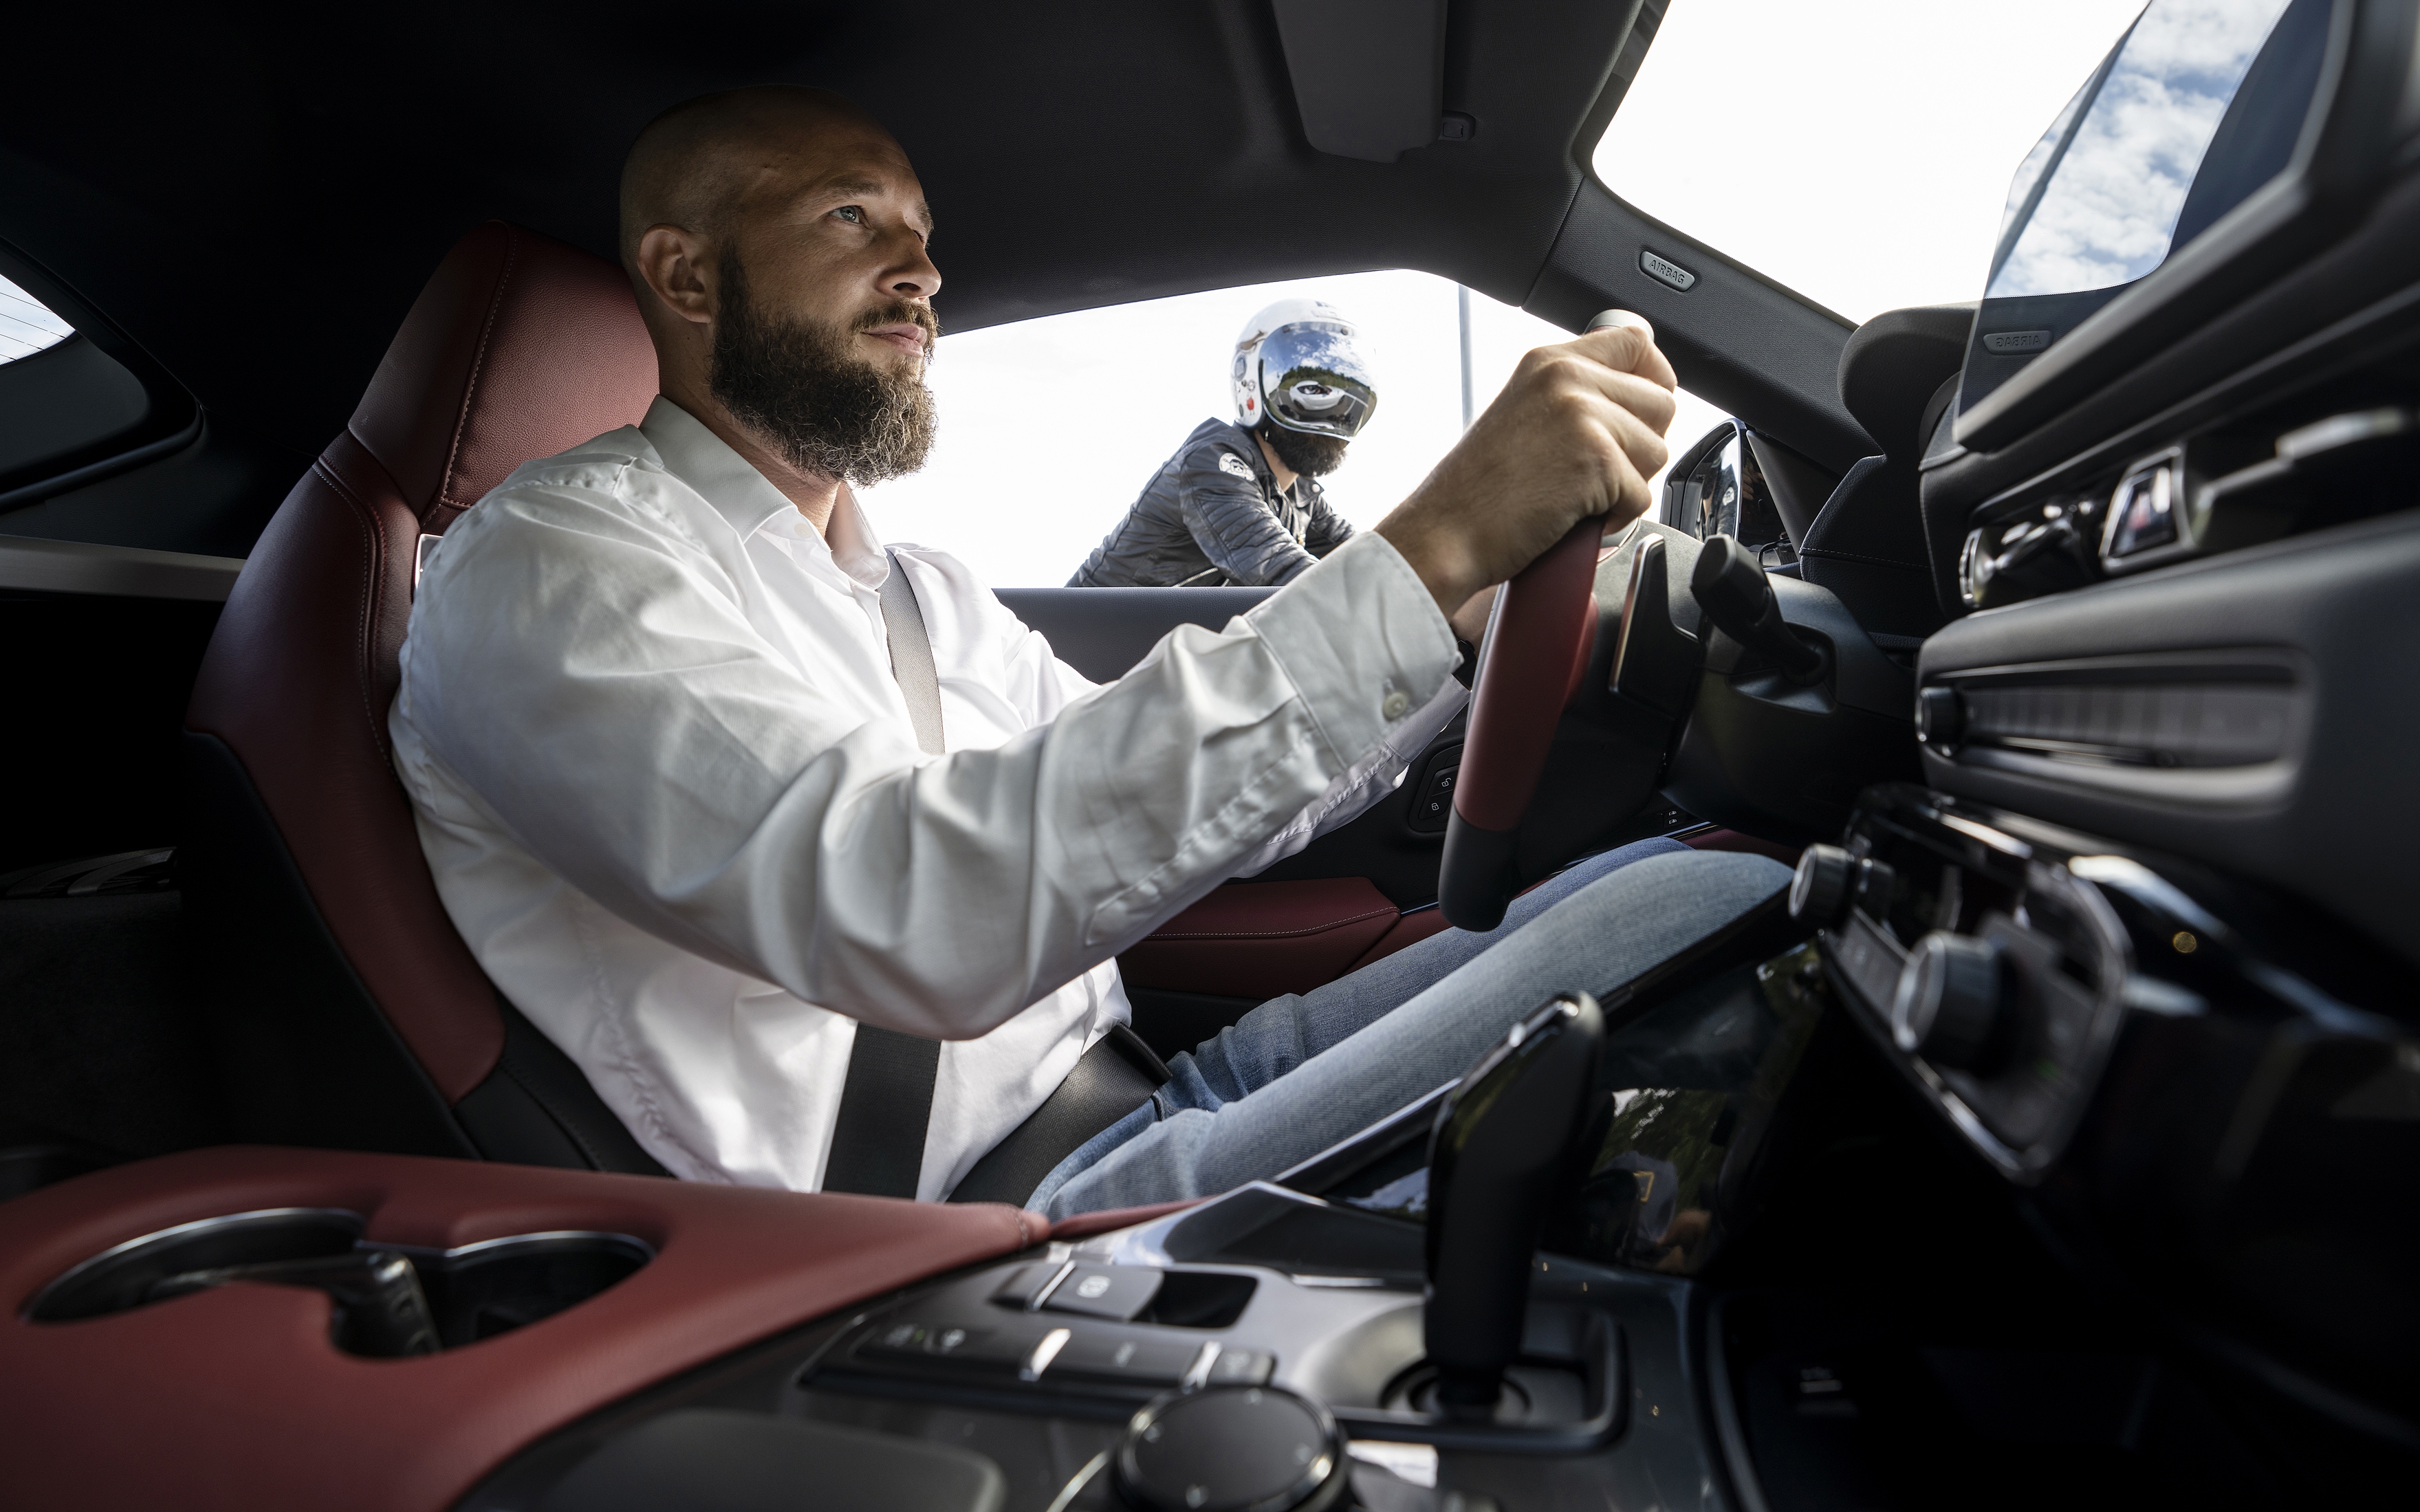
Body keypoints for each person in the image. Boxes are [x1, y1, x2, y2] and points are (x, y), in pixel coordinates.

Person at [389, 85, 1790, 1217]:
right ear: (686, 273)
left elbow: (1173, 796)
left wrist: (1463, 617)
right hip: (973, 1225)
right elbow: (913, 902)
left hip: (1148, 1086)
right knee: (1723, 921)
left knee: (1677, 885)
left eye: (923, 231)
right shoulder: (548, 569)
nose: (923, 270)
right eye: (851, 215)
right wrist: (1432, 546)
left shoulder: (913, 588)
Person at [1067, 300, 1366, 589]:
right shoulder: (1213, 464)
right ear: (1254, 386)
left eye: (1347, 385)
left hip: (1167, 623)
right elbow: (1286, 572)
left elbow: (1365, 556)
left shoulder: (1300, 494)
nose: (1333, 407)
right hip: (1093, 622)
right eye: (1311, 387)